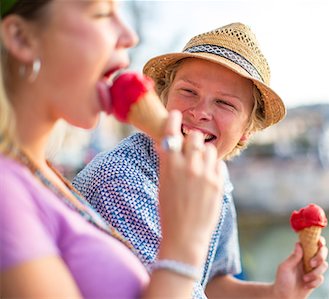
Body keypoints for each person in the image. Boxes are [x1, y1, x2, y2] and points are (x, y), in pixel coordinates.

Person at [74, 22, 329, 298]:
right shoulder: (121, 180)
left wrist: (277, 293)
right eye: (188, 91)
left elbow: (209, 283)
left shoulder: (216, 174)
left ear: (246, 131)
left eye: (225, 103)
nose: (199, 112)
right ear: (164, 98)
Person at [0, 1, 225, 298]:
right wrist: (183, 249)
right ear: (21, 38)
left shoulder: (38, 172)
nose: (130, 35)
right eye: (102, 13)